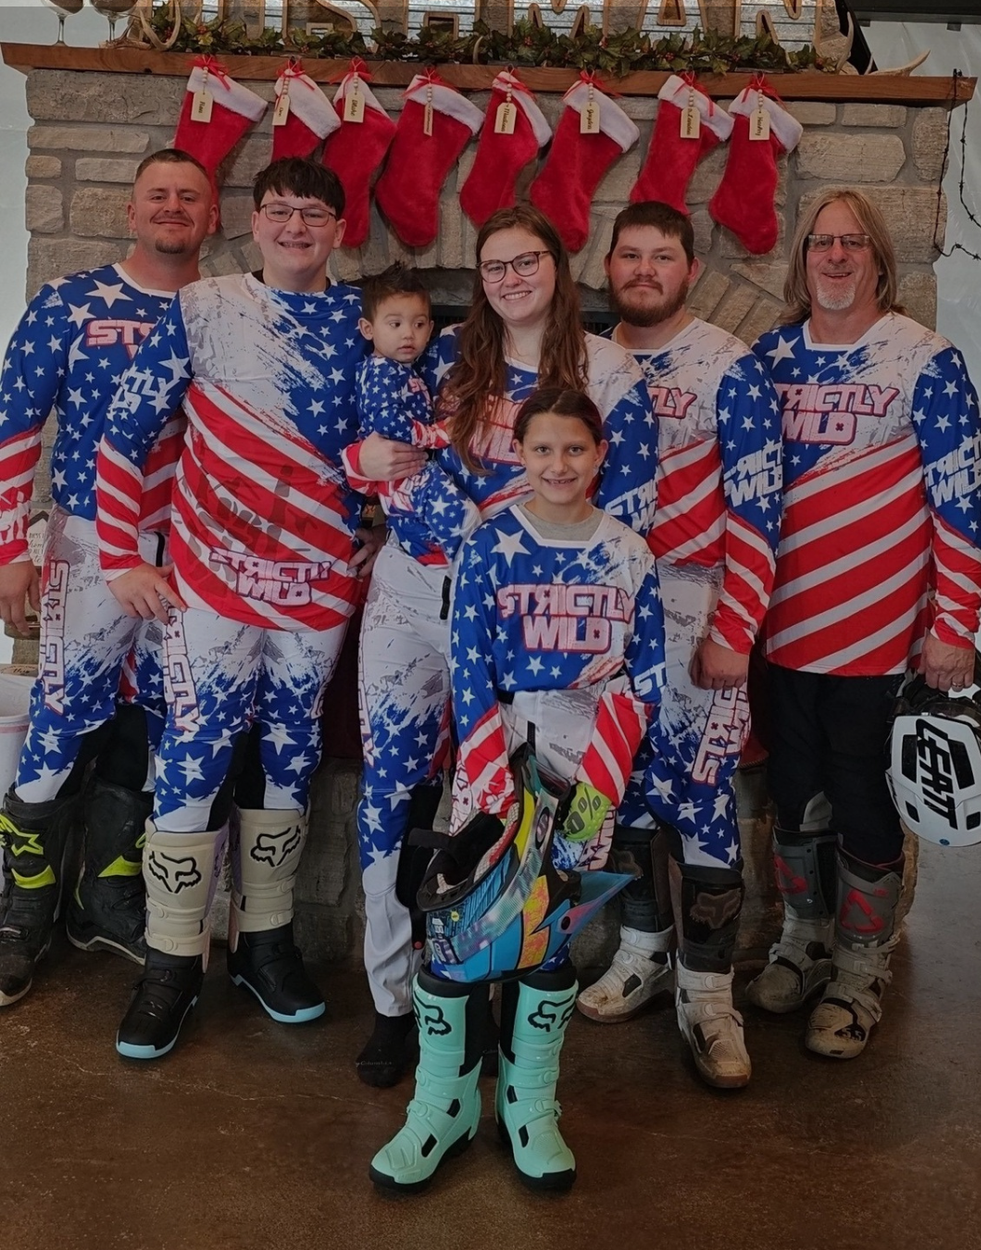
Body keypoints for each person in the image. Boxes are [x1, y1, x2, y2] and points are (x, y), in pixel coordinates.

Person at [345, 204, 656, 1089]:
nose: (511, 277)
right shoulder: (443, 355)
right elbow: (388, 465)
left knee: (512, 802)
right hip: (415, 593)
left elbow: (624, 506)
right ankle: (396, 1001)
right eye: (493, 265)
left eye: (528, 261)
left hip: (535, 621)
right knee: (392, 787)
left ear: (560, 266)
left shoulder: (609, 369)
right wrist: (368, 462)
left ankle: (495, 985)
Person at [94, 157, 377, 1059]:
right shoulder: (203, 306)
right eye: (282, 210)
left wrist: (380, 522)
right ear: (252, 222)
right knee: (194, 754)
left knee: (291, 760)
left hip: (317, 587)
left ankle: (265, 944)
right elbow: (122, 432)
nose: (297, 226)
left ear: (342, 227)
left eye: (316, 212)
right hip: (210, 581)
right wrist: (117, 559)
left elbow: (399, 434)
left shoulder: (366, 322)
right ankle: (171, 962)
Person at [370, 387, 666, 1193]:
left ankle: (530, 1105)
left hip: (587, 767)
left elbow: (643, 683)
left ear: (599, 455)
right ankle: (443, 1105)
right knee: (463, 935)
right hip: (492, 763)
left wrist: (597, 795)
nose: (559, 464)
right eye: (543, 450)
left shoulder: (630, 554)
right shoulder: (493, 545)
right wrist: (492, 776)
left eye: (575, 449)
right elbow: (466, 663)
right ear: (522, 456)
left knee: (550, 934)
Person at [750, 188, 981, 1058]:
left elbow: (962, 505)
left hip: (882, 640)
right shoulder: (771, 356)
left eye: (853, 243)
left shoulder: (925, 360)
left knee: (863, 804)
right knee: (791, 798)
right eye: (822, 243)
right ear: (802, 258)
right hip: (780, 633)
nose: (837, 257)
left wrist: (954, 623)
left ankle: (859, 968)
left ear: (880, 259)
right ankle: (801, 944)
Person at [0, 149, 218, 1008]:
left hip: (194, 549)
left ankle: (106, 895)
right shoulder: (70, 302)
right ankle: (24, 908)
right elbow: (16, 424)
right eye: (157, 195)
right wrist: (9, 546)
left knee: (159, 721)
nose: (172, 207)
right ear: (130, 213)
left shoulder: (223, 310)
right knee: (61, 714)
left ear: (213, 219)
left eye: (188, 197)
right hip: (89, 541)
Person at [576, 202, 782, 1090]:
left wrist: (736, 631)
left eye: (664, 256)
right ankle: (643, 949)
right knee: (613, 789)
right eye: (632, 255)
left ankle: (708, 994)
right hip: (605, 612)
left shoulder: (726, 367)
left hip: (698, 605)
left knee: (702, 801)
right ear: (608, 263)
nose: (646, 269)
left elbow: (761, 507)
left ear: (690, 270)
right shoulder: (583, 359)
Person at [355, 264, 466, 560]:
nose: (408, 334)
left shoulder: (403, 369)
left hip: (410, 466)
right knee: (458, 515)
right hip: (400, 467)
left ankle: (434, 562)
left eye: (418, 324)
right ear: (369, 329)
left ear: (430, 329)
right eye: (395, 324)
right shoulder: (380, 371)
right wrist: (436, 434)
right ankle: (467, 566)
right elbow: (386, 420)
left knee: (418, 524)